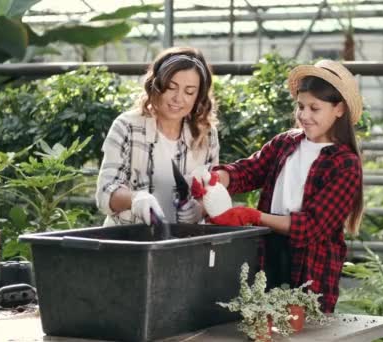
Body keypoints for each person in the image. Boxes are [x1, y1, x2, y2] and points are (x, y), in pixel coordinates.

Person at [212, 60, 364, 313]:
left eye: (315, 108)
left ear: (339, 109)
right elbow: (249, 171)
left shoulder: (345, 164)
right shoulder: (286, 143)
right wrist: (218, 178)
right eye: (301, 106)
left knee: (301, 329)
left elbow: (311, 226)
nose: (304, 115)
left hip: (310, 266)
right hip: (267, 251)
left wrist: (254, 216)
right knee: (261, 323)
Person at [96, 47, 219, 226]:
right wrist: (136, 199)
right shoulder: (128, 127)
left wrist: (200, 208)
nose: (178, 98)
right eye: (171, 87)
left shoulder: (205, 134)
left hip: (184, 244)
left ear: (198, 96)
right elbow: (105, 193)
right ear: (156, 86)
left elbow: (212, 190)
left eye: (189, 92)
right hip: (129, 242)